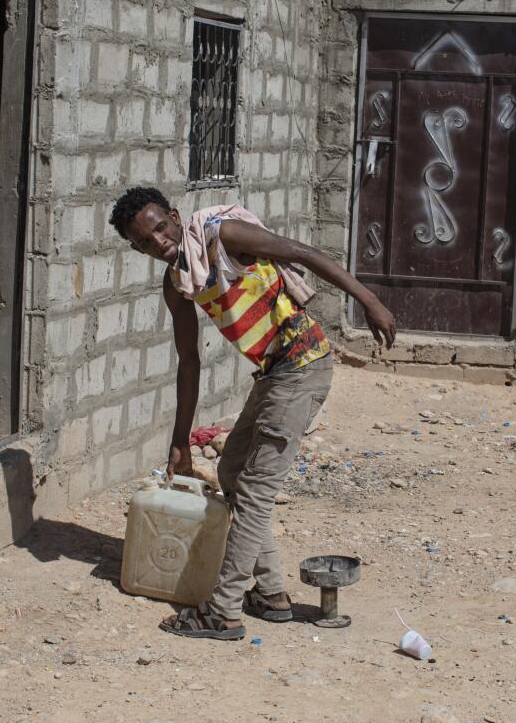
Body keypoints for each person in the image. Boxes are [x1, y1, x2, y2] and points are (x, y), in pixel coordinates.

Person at [109, 187, 396, 640]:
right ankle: (271, 593)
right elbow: (189, 361)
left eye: (161, 228)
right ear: (135, 248)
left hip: (302, 366)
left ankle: (223, 610)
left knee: (257, 492)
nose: (159, 242)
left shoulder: (223, 237)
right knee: (232, 472)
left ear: (174, 217)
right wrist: (180, 439)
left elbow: (305, 252)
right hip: (274, 374)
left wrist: (370, 301)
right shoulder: (178, 283)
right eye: (145, 241)